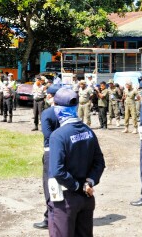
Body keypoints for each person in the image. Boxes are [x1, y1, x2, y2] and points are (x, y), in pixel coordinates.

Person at [48, 88, 105, 237]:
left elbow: (58, 170)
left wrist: (77, 186)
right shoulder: (88, 131)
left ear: (59, 109)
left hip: (67, 199)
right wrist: (89, 182)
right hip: (86, 197)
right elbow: (99, 162)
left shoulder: (58, 136)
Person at [33, 84, 63, 230]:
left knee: (49, 184)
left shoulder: (48, 113)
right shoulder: (67, 112)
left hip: (51, 151)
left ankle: (49, 217)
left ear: (50, 96)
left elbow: (47, 134)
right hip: (66, 150)